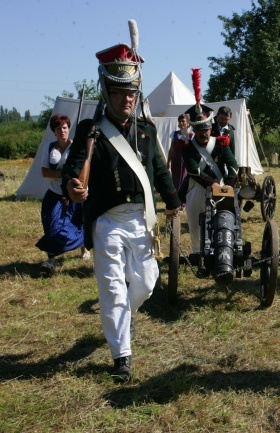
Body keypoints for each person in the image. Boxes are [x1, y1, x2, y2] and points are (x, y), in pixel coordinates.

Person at [62, 42, 181, 382]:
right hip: (105, 220)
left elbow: (158, 170)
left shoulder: (145, 130)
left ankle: (120, 321)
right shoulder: (89, 130)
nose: (126, 99)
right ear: (106, 92)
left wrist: (173, 201)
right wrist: (72, 186)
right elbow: (72, 170)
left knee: (146, 282)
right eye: (119, 93)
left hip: (141, 219)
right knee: (112, 290)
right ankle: (122, 358)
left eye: (131, 93)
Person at [182, 103, 238, 267]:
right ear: (195, 131)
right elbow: (194, 171)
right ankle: (197, 255)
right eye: (199, 130)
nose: (203, 133)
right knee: (195, 226)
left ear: (210, 128)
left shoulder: (220, 144)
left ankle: (219, 254)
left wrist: (228, 184)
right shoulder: (188, 148)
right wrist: (212, 184)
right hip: (197, 190)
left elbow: (233, 164)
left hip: (220, 190)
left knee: (221, 224)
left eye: (206, 129)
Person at [36, 114, 89, 275]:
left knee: (79, 223)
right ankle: (51, 259)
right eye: (59, 128)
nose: (62, 131)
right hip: (55, 193)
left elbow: (82, 169)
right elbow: (45, 171)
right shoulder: (49, 148)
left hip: (74, 193)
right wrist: (63, 174)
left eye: (65, 127)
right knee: (51, 224)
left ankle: (84, 249)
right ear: (54, 131)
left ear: (68, 129)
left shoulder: (76, 147)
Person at [167, 113, 192, 191]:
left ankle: (183, 202)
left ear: (188, 123)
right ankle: (176, 200)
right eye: (180, 121)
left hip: (186, 163)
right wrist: (168, 161)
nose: (181, 123)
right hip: (176, 162)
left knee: (184, 182)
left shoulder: (191, 135)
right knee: (175, 182)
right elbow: (171, 149)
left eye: (183, 121)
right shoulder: (174, 134)